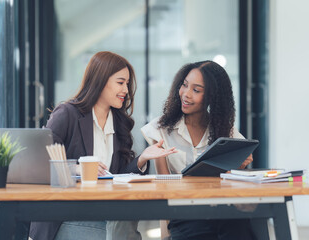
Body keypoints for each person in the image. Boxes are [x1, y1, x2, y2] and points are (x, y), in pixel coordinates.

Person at [29, 51, 176, 240]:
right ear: (100, 80)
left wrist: (143, 159)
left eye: (127, 84)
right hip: (66, 215)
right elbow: (40, 165)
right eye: (120, 82)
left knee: (125, 224)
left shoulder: (119, 122)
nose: (126, 90)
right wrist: (77, 168)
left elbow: (118, 175)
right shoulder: (67, 114)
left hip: (106, 212)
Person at [141, 60, 254, 240]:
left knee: (240, 227)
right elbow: (164, 186)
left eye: (196, 90)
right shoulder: (160, 129)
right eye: (184, 85)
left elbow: (232, 178)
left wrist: (239, 166)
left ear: (212, 97)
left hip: (221, 210)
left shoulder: (225, 129)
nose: (185, 94)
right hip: (184, 215)